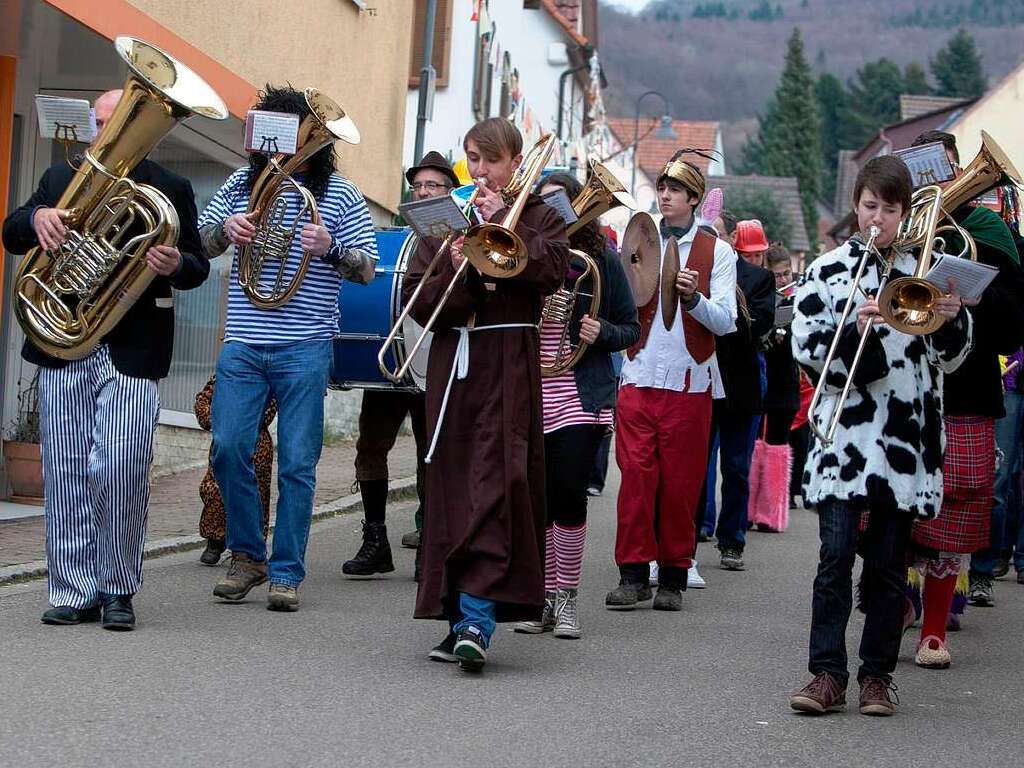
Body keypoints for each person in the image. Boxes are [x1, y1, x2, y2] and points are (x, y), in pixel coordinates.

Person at [1, 89, 209, 630]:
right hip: (65, 342)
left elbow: (198, 265)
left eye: (113, 120)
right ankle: (72, 589)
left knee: (122, 467)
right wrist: (39, 219)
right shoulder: (58, 179)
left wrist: (172, 262)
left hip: (133, 348)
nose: (104, 131)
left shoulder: (170, 187)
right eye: (98, 121)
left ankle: (118, 587)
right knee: (66, 468)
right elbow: (12, 231)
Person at [788, 155, 971, 716]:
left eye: (890, 210)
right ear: (856, 204)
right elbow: (806, 347)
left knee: (891, 565)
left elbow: (954, 360)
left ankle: (876, 677)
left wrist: (953, 315)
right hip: (844, 439)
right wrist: (858, 337)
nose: (879, 219)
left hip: (904, 440)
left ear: (904, 211)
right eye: (871, 207)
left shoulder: (928, 271)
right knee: (834, 557)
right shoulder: (828, 269)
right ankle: (826, 674)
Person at [199, 85, 377, 612]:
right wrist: (225, 230)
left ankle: (286, 571)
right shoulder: (238, 183)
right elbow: (202, 240)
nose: (281, 143)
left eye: (294, 131)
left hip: (305, 344)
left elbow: (367, 269)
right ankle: (247, 555)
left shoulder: (340, 194)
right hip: (244, 342)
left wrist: (333, 249)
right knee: (228, 448)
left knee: (299, 463)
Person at [404, 118, 569, 672]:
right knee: (451, 484)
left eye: (490, 160)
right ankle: (457, 618)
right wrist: (456, 269)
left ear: (516, 161)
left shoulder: (544, 214)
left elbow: (553, 269)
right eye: (472, 158)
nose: (479, 171)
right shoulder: (447, 219)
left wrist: (504, 225)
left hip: (510, 363)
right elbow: (421, 302)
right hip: (456, 365)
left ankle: (479, 615)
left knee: (499, 482)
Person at [905, 130, 1024, 667]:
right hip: (905, 384)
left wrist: (968, 299)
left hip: (967, 384)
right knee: (899, 505)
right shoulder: (898, 227)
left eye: (945, 166)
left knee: (953, 506)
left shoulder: (986, 227)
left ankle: (935, 627)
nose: (936, 177)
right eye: (923, 167)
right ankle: (900, 600)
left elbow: (1015, 317)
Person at [606, 151, 737, 612]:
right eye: (661, 188)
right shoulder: (639, 241)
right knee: (636, 482)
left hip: (689, 382)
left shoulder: (717, 251)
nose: (664, 196)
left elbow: (726, 322)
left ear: (695, 199)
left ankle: (674, 576)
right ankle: (632, 573)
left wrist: (694, 298)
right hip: (639, 376)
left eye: (675, 190)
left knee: (680, 485)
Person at [512, 172, 639, 639]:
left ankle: (566, 598)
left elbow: (630, 327)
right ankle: (542, 595)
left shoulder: (600, 259)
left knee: (567, 494)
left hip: (580, 393)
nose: (552, 213)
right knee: (537, 499)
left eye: (559, 204)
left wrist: (599, 332)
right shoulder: (521, 251)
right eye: (542, 204)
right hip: (531, 390)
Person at [341, 151, 459, 576]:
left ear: (450, 194)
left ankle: (430, 543)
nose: (424, 192)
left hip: (434, 361)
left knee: (432, 454)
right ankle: (376, 542)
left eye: (434, 186)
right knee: (370, 448)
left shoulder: (459, 239)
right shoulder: (391, 237)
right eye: (420, 186)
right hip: (390, 361)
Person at [709, 220, 774, 570]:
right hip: (703, 381)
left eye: (716, 232)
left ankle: (732, 540)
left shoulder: (757, 278)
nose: (711, 239)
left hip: (740, 384)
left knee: (735, 468)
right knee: (695, 468)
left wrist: (731, 299)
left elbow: (759, 326)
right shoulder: (696, 271)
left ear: (729, 238)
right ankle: (685, 540)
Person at [195, 376, 276, 566]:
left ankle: (252, 548)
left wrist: (243, 422)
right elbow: (203, 399)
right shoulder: (226, 374)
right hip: (227, 438)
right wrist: (218, 422)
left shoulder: (268, 380)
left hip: (256, 441)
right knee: (215, 488)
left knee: (256, 493)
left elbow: (268, 409)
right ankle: (215, 538)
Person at [748, 243, 801, 532]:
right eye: (777, 275)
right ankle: (746, 510)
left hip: (785, 385)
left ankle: (771, 514)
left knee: (778, 448)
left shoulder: (797, 302)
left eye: (786, 275)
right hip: (760, 382)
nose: (783, 281)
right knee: (752, 447)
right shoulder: (760, 300)